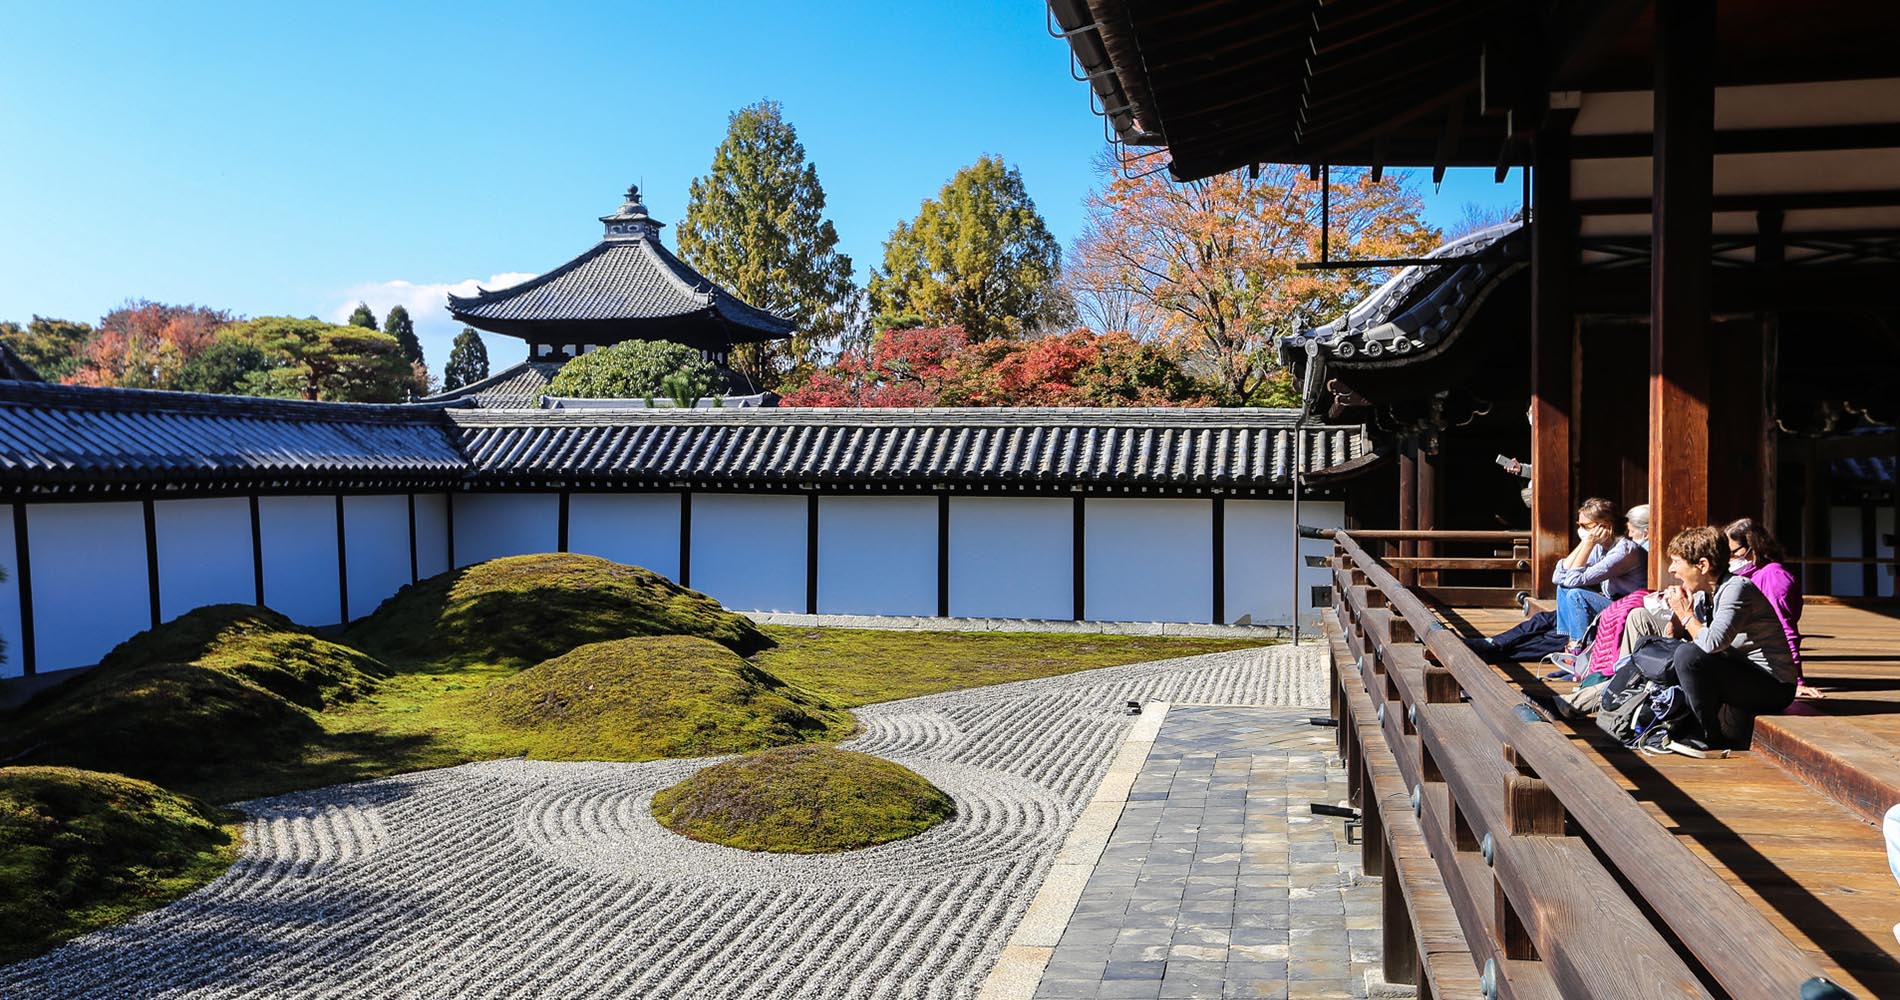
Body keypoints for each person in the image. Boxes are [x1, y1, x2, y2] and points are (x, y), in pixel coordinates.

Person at [1659, 525, 1799, 755]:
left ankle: (1706, 735)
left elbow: (1712, 644)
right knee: (1671, 651)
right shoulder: (1707, 593)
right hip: (1742, 672)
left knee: (1688, 656)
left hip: (1773, 685)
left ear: (1702, 565)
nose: (1672, 570)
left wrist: (1686, 614)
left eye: (1677, 562)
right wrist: (1680, 611)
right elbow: (1674, 637)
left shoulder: (1737, 589)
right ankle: (1672, 722)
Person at [1724, 517, 1817, 699]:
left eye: (1734, 553)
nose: (1730, 559)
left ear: (1752, 547)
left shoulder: (1773, 577)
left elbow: (1786, 631)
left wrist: (1795, 682)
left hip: (1771, 663)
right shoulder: (1753, 574)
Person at [1552, 498, 1648, 653]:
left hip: (1629, 609)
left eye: (1585, 526)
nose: (1581, 530)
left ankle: (1582, 649)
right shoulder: (1600, 546)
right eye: (1579, 525)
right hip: (1614, 603)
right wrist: (1585, 544)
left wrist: (1588, 543)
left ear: (1605, 526)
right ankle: (1572, 643)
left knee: (1576, 594)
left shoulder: (1624, 550)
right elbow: (1558, 577)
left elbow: (1573, 579)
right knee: (1563, 589)